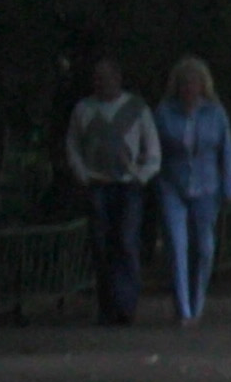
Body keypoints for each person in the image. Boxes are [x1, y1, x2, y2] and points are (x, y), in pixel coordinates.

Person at [65, 59, 161, 324]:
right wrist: (82, 173)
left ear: (118, 78)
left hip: (128, 185)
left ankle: (126, 305)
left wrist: (141, 176)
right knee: (101, 244)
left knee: (127, 242)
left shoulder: (136, 109)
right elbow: (73, 145)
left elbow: (152, 149)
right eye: (97, 78)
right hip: (97, 184)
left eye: (106, 78)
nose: (102, 83)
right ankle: (107, 305)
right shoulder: (84, 110)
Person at [153, 57, 231, 326]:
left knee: (204, 247)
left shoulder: (215, 113)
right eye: (184, 83)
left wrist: (230, 187)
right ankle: (184, 310)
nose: (189, 88)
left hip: (207, 186)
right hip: (172, 185)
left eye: (194, 83)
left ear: (203, 86)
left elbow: (226, 151)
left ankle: (197, 300)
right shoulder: (164, 112)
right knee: (177, 244)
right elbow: (155, 149)